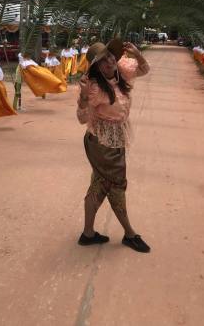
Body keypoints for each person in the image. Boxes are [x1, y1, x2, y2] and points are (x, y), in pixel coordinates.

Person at [76, 39, 151, 253]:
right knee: (116, 185)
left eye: (110, 56)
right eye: (103, 61)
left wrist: (137, 54)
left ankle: (88, 234)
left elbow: (144, 70)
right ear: (96, 68)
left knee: (99, 185)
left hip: (114, 139)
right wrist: (83, 97)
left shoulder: (121, 74)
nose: (109, 62)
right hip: (102, 143)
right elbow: (82, 118)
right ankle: (130, 234)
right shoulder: (94, 87)